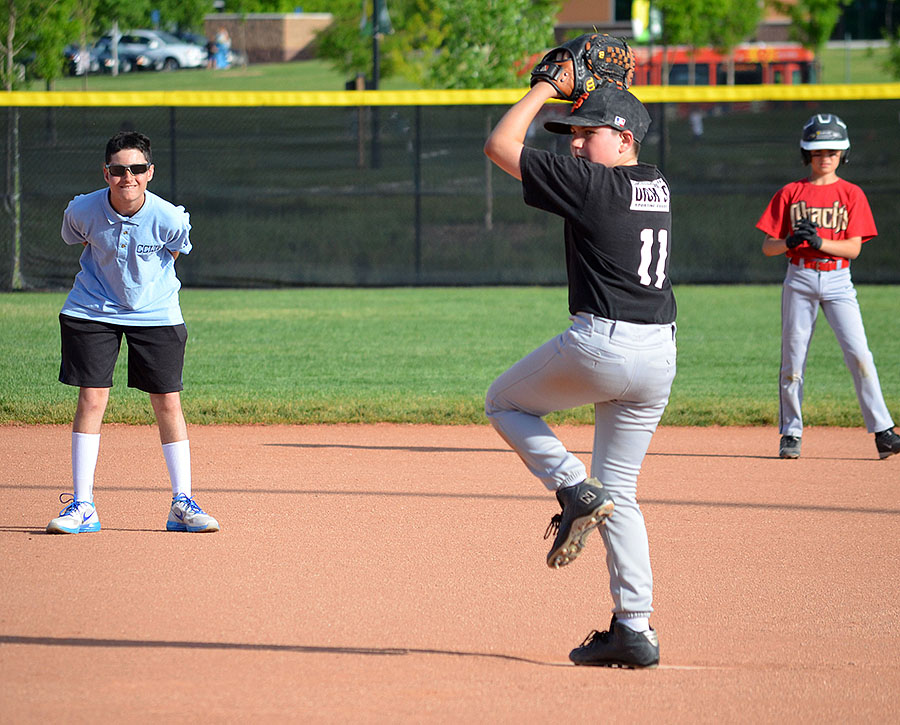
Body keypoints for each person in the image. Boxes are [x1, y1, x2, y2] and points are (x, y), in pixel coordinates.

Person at [483, 81, 676, 668]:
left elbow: (499, 143)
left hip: (604, 344)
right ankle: (634, 629)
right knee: (623, 495)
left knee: (504, 402)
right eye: (573, 135)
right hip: (659, 354)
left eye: (587, 133)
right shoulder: (657, 183)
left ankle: (571, 484)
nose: (574, 146)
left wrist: (542, 88)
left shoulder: (594, 184)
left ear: (623, 138)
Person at [46, 131, 220, 534]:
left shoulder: (168, 216)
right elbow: (76, 236)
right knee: (91, 399)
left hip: (155, 311)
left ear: (150, 172)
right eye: (120, 169)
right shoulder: (83, 209)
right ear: (106, 173)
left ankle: (182, 503)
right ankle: (83, 505)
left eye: (137, 169)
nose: (129, 177)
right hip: (92, 307)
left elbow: (176, 248)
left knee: (167, 402)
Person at [756, 113, 900, 461]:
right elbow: (768, 246)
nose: (825, 158)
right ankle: (790, 433)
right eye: (818, 152)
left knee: (859, 355)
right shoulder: (791, 193)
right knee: (793, 360)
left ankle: (883, 431)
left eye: (832, 152)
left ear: (843, 155)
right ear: (807, 154)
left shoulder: (851, 194)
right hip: (800, 277)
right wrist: (791, 240)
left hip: (838, 279)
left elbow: (853, 248)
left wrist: (818, 240)